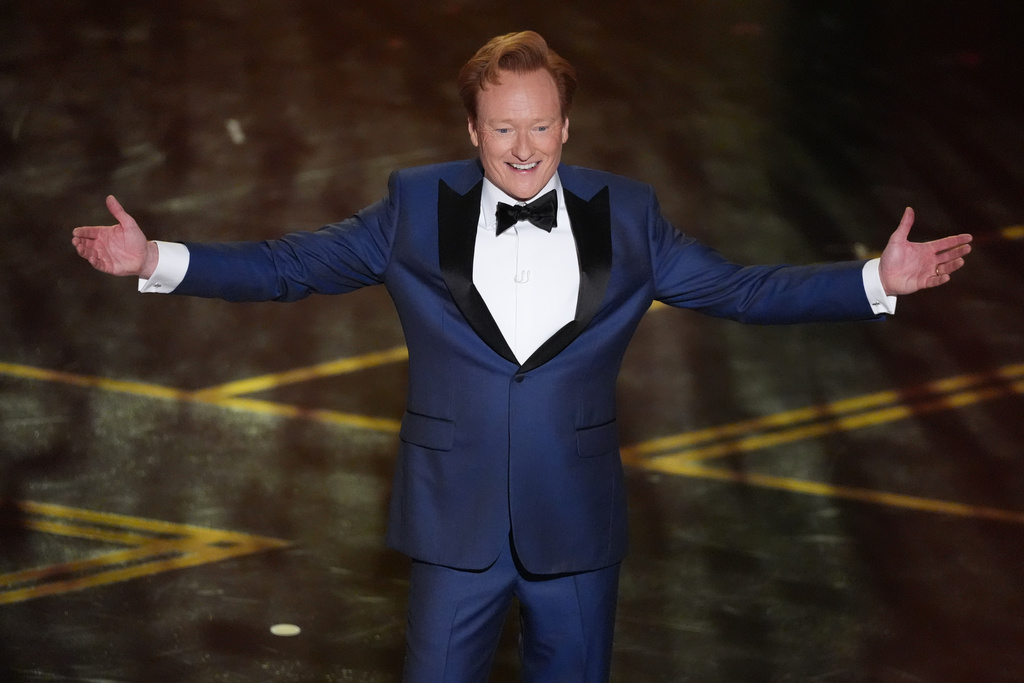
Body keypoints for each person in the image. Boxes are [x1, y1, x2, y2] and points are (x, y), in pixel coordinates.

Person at [72, 30, 971, 683]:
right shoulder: (413, 206)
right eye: (503, 129)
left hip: (575, 526)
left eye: (541, 127)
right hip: (453, 526)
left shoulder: (630, 214)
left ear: (568, 127)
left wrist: (869, 280)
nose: (524, 148)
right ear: (471, 130)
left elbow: (741, 289)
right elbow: (288, 266)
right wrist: (157, 260)